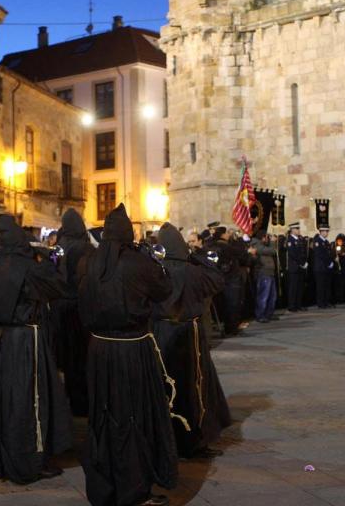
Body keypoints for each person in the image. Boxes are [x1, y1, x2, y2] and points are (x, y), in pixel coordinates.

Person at [77, 204, 176, 506]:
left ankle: (105, 487)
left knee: (105, 416)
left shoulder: (87, 263)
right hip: (131, 349)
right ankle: (134, 491)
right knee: (133, 416)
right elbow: (165, 289)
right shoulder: (137, 263)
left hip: (98, 350)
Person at [0, 215, 72, 484]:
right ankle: (30, 460)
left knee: (7, 401)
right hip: (24, 340)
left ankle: (11, 458)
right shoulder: (26, 266)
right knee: (30, 400)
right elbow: (58, 286)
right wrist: (49, 258)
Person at [153, 223, 230, 459]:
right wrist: (196, 257)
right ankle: (194, 440)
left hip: (162, 335)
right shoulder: (193, 271)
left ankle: (169, 441)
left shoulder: (156, 270)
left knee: (168, 388)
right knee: (194, 387)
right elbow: (217, 280)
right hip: (189, 335)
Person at [53, 208, 93, 417]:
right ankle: (83, 401)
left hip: (61, 307)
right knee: (82, 357)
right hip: (79, 307)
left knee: (69, 358)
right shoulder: (83, 248)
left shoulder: (59, 246)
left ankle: (72, 397)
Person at [251, 232, 278, 323]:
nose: (268, 239)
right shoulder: (256, 245)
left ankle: (268, 314)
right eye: (267, 237)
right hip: (263, 273)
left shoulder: (264, 245)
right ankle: (260, 315)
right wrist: (273, 242)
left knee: (272, 296)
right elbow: (272, 251)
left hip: (270, 273)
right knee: (263, 296)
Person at [285, 223, 307, 312]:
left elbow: (303, 252)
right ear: (292, 230)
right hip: (294, 267)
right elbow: (293, 254)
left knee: (299, 287)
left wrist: (304, 262)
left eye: (298, 229)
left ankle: (298, 305)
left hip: (300, 267)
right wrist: (302, 263)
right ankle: (292, 306)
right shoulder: (290, 240)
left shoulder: (299, 239)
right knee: (293, 287)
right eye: (297, 229)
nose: (298, 230)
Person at [311, 226, 334, 309]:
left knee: (326, 286)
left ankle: (326, 302)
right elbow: (320, 254)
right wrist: (328, 262)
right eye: (325, 231)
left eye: (327, 231)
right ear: (321, 232)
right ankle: (321, 303)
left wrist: (331, 261)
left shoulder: (326, 242)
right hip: (320, 267)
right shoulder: (317, 241)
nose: (327, 233)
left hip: (326, 267)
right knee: (320, 286)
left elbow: (329, 254)